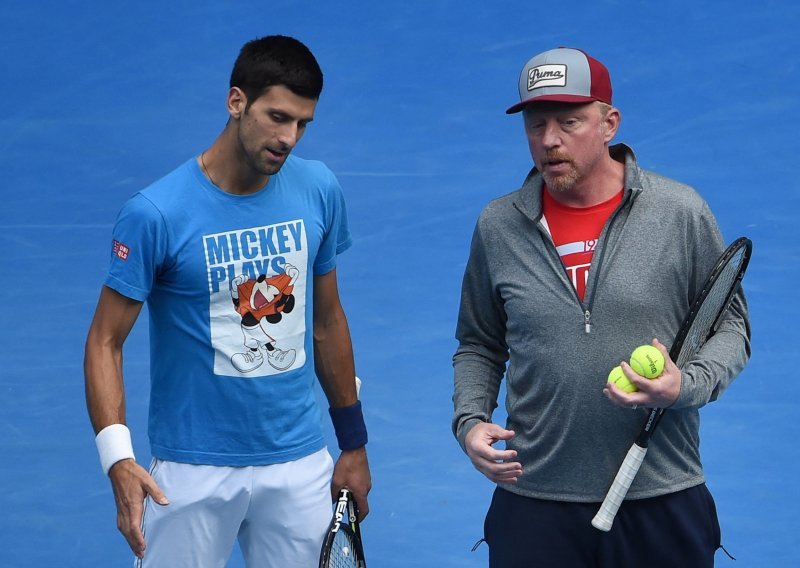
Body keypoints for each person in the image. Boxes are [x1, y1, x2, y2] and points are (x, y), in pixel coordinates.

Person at [452, 47, 750, 568]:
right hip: (535, 499)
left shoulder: (680, 213)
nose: (549, 140)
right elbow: (479, 342)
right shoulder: (497, 226)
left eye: (570, 122)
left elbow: (729, 324)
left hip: (661, 493)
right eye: (536, 124)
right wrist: (470, 422)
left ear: (609, 122)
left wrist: (688, 384)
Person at [84, 35, 371, 567]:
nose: (289, 138)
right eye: (277, 117)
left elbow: (327, 322)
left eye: (302, 124)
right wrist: (118, 460)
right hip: (192, 472)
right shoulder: (155, 213)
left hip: (300, 462)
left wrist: (352, 444)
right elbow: (105, 340)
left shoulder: (319, 190)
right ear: (236, 101)